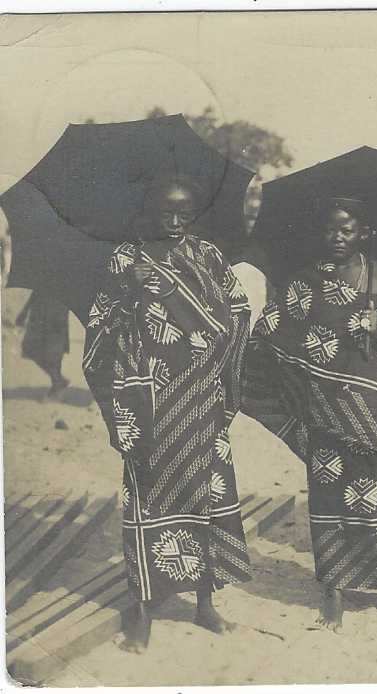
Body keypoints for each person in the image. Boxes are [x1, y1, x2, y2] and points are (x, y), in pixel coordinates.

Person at [242, 197, 377, 630]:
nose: (337, 237)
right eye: (330, 229)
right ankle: (333, 590)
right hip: (327, 405)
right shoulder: (304, 282)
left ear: (363, 233)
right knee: (331, 494)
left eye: (347, 230)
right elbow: (271, 333)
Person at [82, 175, 252, 653]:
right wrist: (127, 293)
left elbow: (237, 312)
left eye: (186, 214)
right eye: (167, 214)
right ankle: (142, 612)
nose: (176, 223)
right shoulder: (124, 260)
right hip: (149, 398)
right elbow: (99, 330)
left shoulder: (208, 255)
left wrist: (222, 375)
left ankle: (204, 604)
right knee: (146, 498)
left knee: (205, 492)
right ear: (148, 213)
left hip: (200, 395)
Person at [20, 290, 70, 399]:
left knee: (53, 355)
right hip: (39, 316)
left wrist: (61, 316)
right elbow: (36, 292)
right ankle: (58, 380)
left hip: (56, 318)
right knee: (30, 349)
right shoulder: (44, 274)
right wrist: (24, 312)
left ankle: (57, 386)